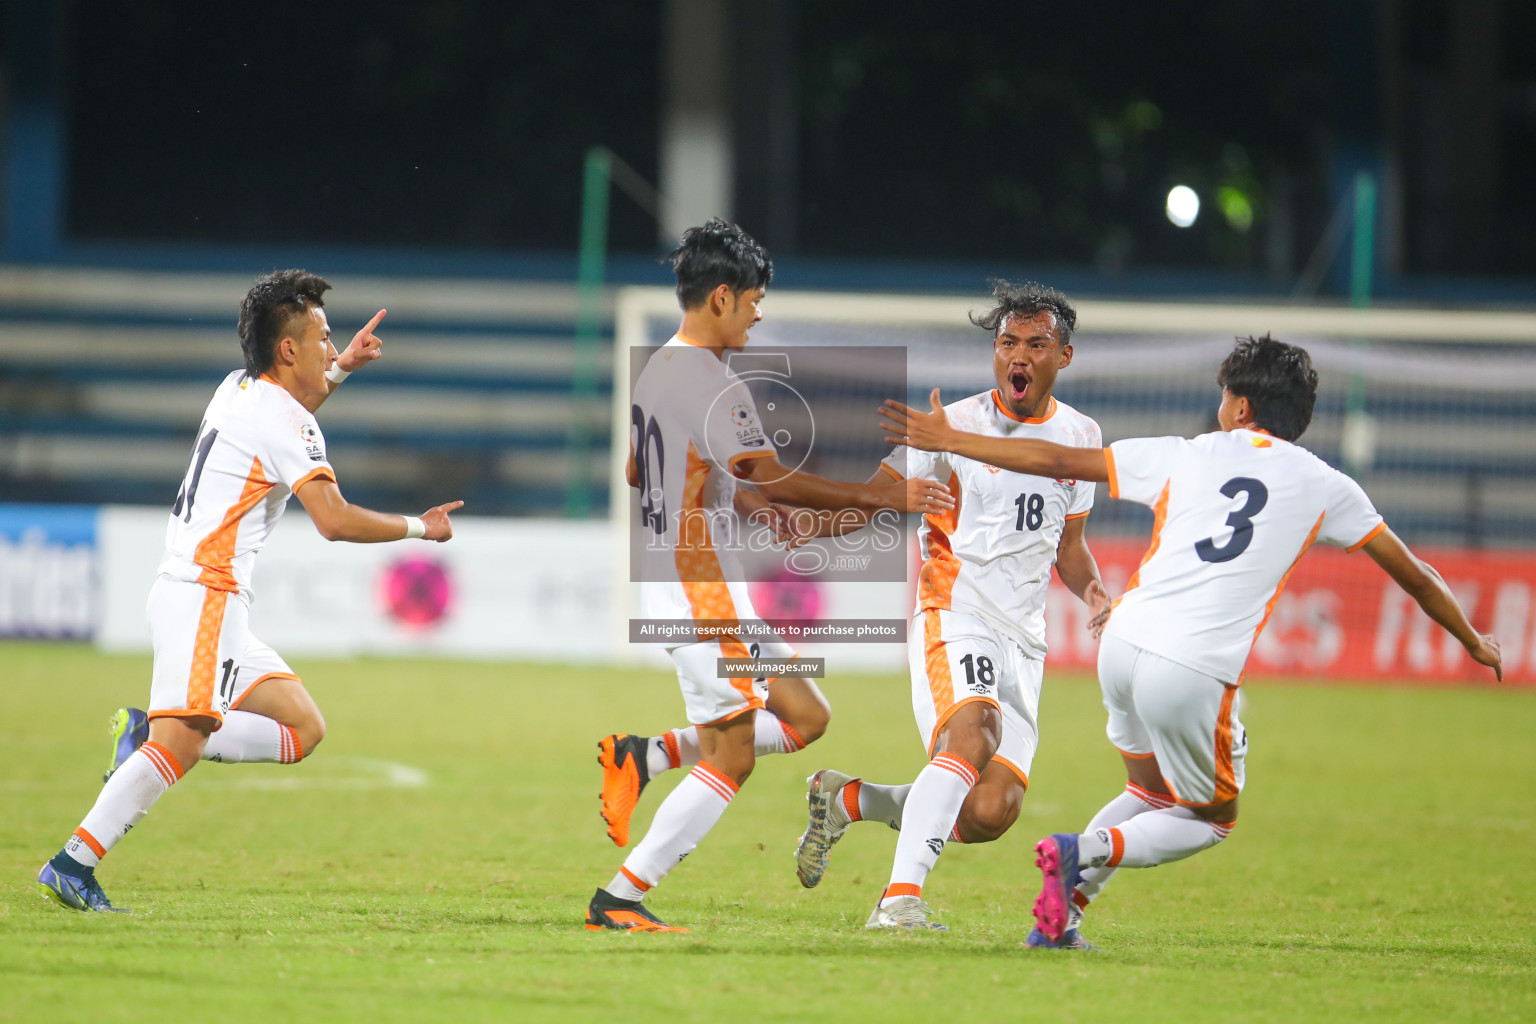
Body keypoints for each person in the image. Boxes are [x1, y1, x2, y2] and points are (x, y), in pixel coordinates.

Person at [877, 334, 1503, 948]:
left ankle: (1060, 920)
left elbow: (1060, 462)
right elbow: (1417, 577)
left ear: (1239, 409)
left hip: (1120, 645)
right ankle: (1081, 851)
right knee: (1211, 820)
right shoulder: (1328, 486)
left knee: (1148, 792)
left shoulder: (1187, 452)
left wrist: (953, 441)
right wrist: (1474, 640)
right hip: (1193, 668)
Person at [37, 270, 464, 912]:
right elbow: (334, 521)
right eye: (322, 336)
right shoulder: (280, 419)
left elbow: (287, 421)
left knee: (301, 729)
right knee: (181, 741)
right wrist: (419, 527)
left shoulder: (238, 387)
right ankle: (73, 863)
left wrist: (341, 368)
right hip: (204, 592)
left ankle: (143, 733)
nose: (330, 344)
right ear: (287, 349)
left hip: (209, 598)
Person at [588, 218, 955, 933]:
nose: (760, 312)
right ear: (721, 296)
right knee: (733, 758)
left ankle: (646, 754)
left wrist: (742, 501)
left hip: (695, 579)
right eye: (754, 298)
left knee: (807, 716)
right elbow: (776, 478)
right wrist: (883, 496)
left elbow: (643, 470)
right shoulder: (709, 379)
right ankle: (620, 899)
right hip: (701, 590)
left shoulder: (659, 366)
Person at [791, 280, 1112, 931]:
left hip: (1025, 640)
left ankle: (850, 800)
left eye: (1035, 344)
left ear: (1064, 357)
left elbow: (1069, 547)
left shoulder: (1081, 435)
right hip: (953, 613)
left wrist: (1096, 591)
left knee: (990, 809)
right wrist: (798, 524)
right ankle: (898, 901)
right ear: (995, 352)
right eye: (1007, 343)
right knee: (972, 735)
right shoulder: (950, 426)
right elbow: (871, 498)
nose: (1018, 356)